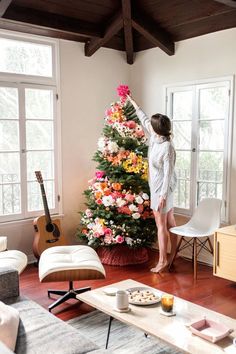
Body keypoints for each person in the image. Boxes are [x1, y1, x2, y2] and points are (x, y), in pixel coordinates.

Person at [127, 95, 177, 273]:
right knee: (170, 221)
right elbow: (144, 118)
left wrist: (162, 196)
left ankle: (163, 261)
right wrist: (132, 101)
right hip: (156, 185)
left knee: (161, 224)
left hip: (163, 188)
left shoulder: (167, 148)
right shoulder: (155, 136)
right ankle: (172, 256)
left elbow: (168, 175)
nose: (150, 126)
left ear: (158, 130)